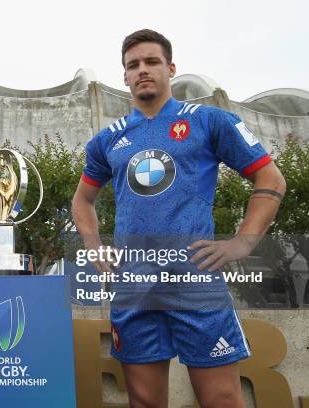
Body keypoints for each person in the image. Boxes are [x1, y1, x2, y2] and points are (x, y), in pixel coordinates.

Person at [71, 29, 285, 408]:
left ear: (170, 68)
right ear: (124, 76)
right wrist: (94, 247)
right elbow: (82, 201)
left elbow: (270, 178)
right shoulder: (107, 140)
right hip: (134, 286)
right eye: (133, 65)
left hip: (194, 280)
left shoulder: (209, 121)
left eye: (151, 62)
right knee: (144, 401)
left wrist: (243, 241)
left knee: (221, 399)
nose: (142, 70)